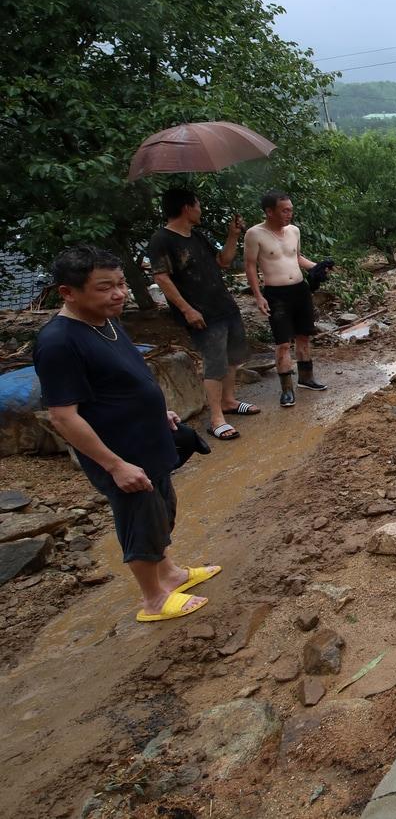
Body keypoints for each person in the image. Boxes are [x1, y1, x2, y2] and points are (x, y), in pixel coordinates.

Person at [33, 245, 220, 622]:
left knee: (162, 511)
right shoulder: (59, 343)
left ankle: (170, 574)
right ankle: (153, 598)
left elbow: (126, 378)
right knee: (139, 520)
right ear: (68, 292)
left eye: (120, 284)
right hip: (121, 452)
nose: (118, 294)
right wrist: (115, 465)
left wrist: (159, 411)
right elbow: (64, 417)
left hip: (148, 437)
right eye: (105, 287)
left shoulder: (106, 321)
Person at [148, 187, 259, 441]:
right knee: (214, 361)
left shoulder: (196, 235)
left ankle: (229, 401)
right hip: (202, 312)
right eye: (197, 204)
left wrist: (233, 235)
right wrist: (187, 309)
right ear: (187, 207)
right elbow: (161, 277)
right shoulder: (162, 240)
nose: (200, 210)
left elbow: (224, 261)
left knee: (232, 358)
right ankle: (216, 417)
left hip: (223, 306)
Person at [244, 190, 328, 407]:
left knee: (304, 336)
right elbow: (250, 266)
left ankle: (306, 378)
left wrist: (317, 267)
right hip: (276, 293)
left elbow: (296, 257)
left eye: (290, 209)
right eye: (284, 210)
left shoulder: (294, 231)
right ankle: (287, 389)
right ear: (269, 211)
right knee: (282, 343)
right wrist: (258, 295)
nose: (289, 214)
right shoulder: (254, 234)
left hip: (299, 289)